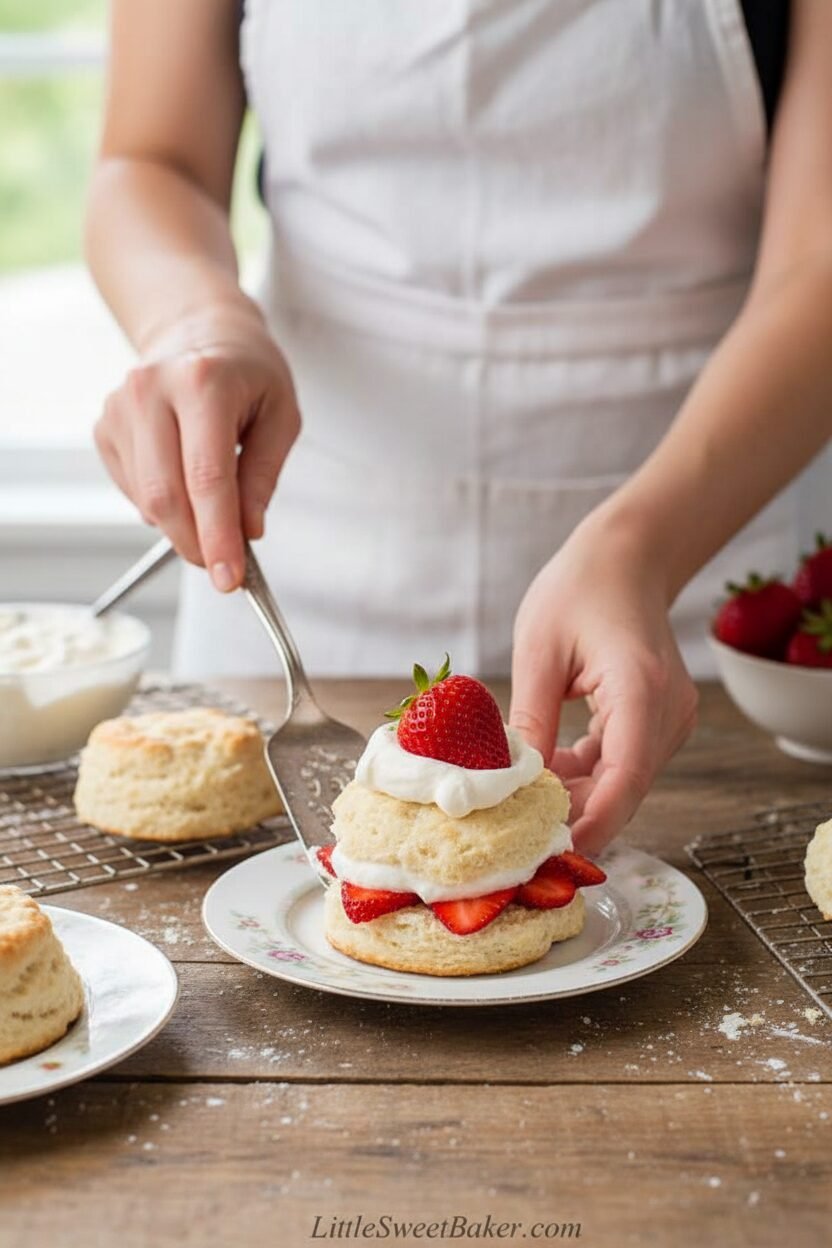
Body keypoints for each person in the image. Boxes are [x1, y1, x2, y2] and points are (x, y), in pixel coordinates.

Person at [86, 0, 832, 854]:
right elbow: (151, 159)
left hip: (698, 536)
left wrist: (645, 547)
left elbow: (821, 259)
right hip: (309, 534)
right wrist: (195, 325)